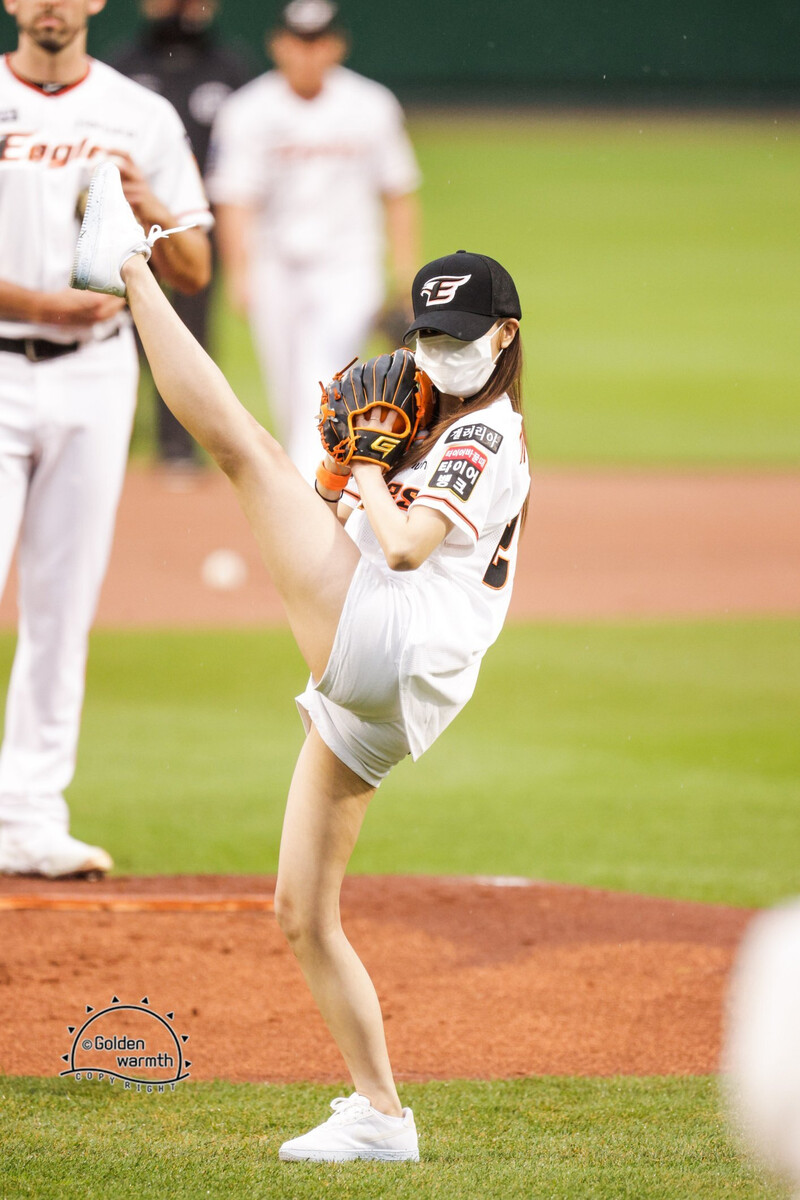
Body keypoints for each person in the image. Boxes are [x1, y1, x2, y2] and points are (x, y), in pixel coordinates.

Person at [72, 161, 529, 1161]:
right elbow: (356, 521)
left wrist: (356, 470)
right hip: (389, 694)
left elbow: (404, 547)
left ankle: (127, 270)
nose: (440, 355)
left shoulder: (486, 433)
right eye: (428, 337)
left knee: (242, 450)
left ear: (505, 336)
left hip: (400, 639)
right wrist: (347, 476)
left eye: (460, 338)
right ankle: (382, 1119)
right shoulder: (437, 418)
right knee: (299, 911)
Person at [0, 0, 212, 879]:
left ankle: (29, 819)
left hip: (95, 371)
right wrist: (42, 303)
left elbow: (197, 268)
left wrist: (151, 204)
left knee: (63, 600)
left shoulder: (139, 113)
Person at [205, 0, 421, 481]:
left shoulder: (371, 104)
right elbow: (235, 200)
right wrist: (240, 274)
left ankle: (310, 490)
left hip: (349, 265)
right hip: (274, 267)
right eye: (299, 42)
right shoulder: (247, 110)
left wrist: (406, 272)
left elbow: (399, 192)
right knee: (288, 391)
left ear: (336, 45)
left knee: (320, 372)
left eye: (318, 41)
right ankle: (323, 478)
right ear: (278, 45)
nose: (308, 53)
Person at [112, 0, 255, 468]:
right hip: (123, 221)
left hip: (197, 226)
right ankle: (112, 437)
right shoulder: (122, 68)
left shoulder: (231, 69)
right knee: (120, 334)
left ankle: (178, 448)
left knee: (190, 335)